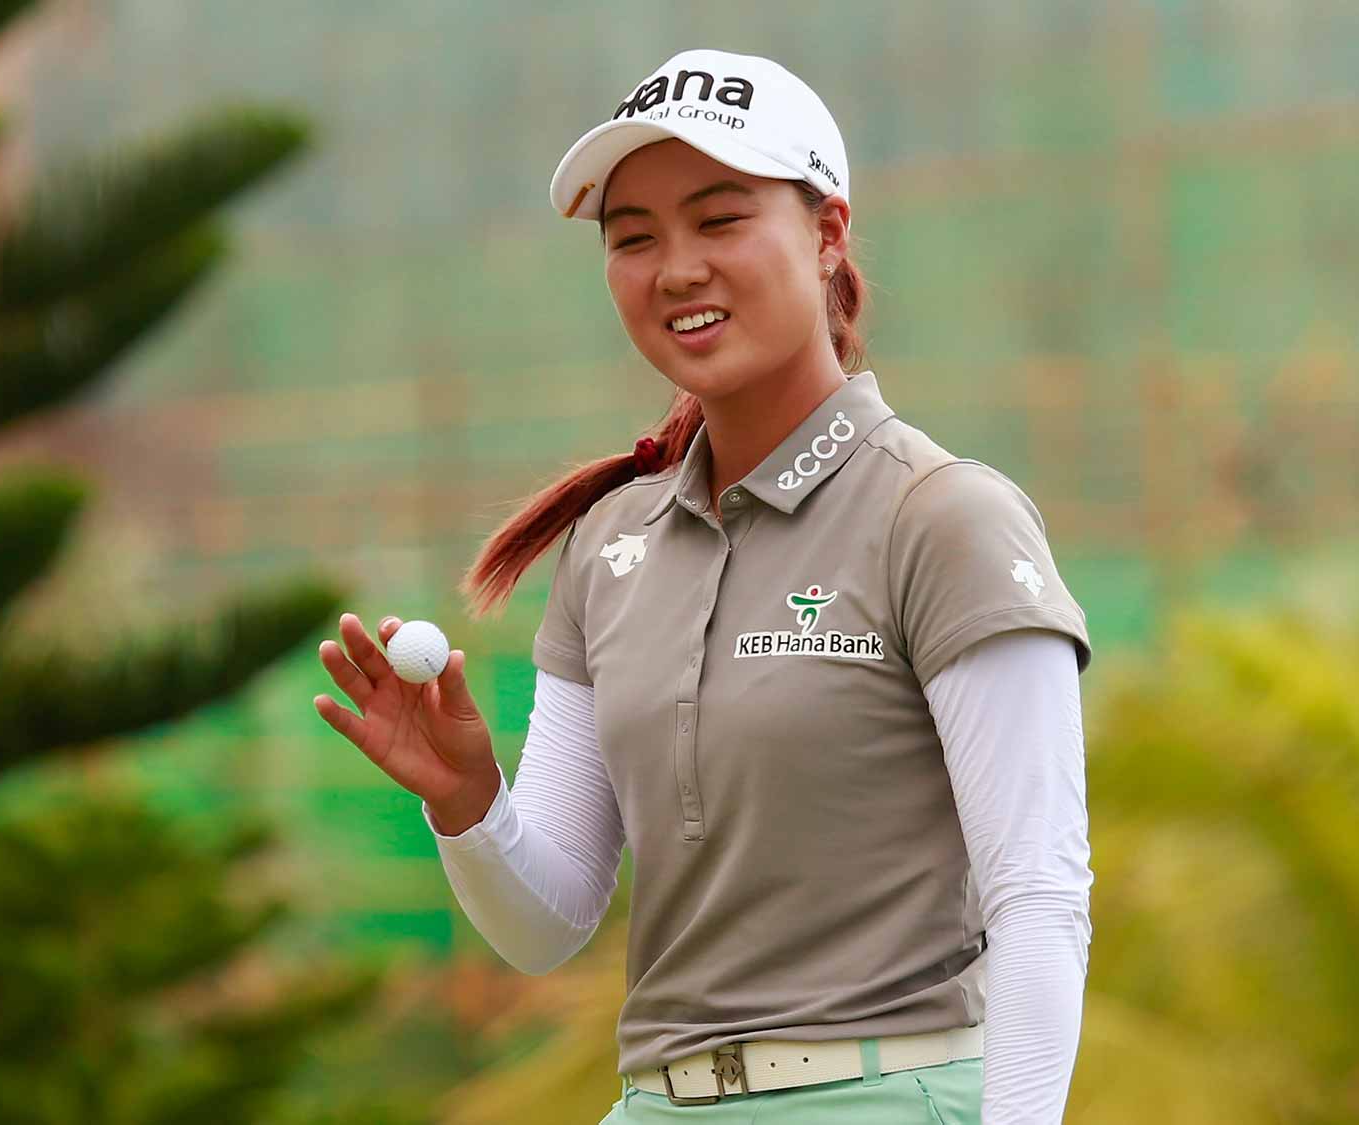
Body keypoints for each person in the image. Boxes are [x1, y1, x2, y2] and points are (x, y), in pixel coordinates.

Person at [313, 48, 1094, 1124]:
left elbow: (1039, 901)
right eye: (632, 237)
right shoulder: (610, 547)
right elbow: (545, 926)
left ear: (826, 235)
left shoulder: (942, 517)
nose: (674, 268)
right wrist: (463, 802)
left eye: (719, 221)